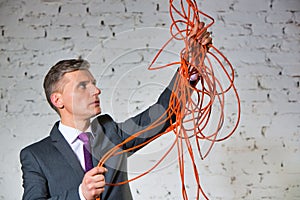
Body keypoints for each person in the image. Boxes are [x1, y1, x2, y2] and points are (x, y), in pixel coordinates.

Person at [20, 27, 212, 200]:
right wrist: (80, 194)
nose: (96, 91)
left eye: (93, 83)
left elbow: (165, 114)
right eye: (82, 86)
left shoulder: (110, 133)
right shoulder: (36, 155)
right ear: (58, 100)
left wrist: (190, 66)